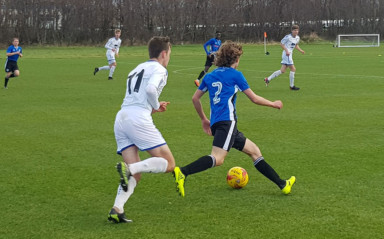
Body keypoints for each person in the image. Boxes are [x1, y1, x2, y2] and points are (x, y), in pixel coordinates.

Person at [173, 41, 296, 197]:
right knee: (218, 159)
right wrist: (273, 104)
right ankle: (183, 172)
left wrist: (204, 119)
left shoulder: (210, 76)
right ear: (235, 59)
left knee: (255, 152)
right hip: (227, 122)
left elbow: (195, 99)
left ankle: (283, 184)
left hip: (218, 123)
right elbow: (254, 98)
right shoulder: (236, 75)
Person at [108, 36, 175, 223]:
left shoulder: (136, 68)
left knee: (136, 176)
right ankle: (130, 168)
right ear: (163, 53)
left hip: (121, 118)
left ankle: (117, 209)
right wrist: (154, 104)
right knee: (169, 164)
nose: (169, 58)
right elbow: (151, 90)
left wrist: (153, 107)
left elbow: (137, 98)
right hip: (137, 119)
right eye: (169, 54)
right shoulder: (160, 69)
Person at [264, 25, 305, 90]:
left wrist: (301, 50)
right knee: (293, 69)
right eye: (294, 30)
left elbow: (296, 45)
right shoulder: (288, 37)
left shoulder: (297, 38)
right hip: (287, 55)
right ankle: (292, 86)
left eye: (297, 30)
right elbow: (281, 44)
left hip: (289, 54)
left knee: (282, 71)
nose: (296, 31)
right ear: (292, 31)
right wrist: (286, 51)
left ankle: (268, 79)